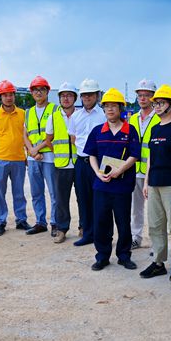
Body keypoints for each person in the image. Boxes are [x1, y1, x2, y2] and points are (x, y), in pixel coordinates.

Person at [84, 88, 141, 271]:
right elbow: (91, 155)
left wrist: (120, 170)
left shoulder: (130, 130)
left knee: (123, 223)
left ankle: (124, 256)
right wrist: (97, 173)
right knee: (101, 222)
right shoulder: (97, 131)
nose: (110, 109)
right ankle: (102, 256)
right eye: (106, 106)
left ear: (120, 108)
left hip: (122, 186)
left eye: (113, 106)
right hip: (102, 185)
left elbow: (134, 155)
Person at [140, 84, 171, 278]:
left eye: (161, 103)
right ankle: (158, 262)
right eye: (156, 103)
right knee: (155, 225)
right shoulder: (154, 129)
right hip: (154, 184)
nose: (157, 106)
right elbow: (151, 157)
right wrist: (145, 182)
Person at [0, 80, 29, 236]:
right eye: (5, 95)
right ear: (0, 97)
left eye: (11, 94)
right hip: (0, 159)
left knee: (19, 192)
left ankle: (21, 220)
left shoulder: (23, 114)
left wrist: (27, 155)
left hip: (18, 158)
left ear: (14, 96)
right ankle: (0, 222)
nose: (8, 98)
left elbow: (27, 137)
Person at [70, 78, 105, 247]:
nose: (87, 98)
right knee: (83, 198)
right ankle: (87, 233)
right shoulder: (76, 116)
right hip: (81, 162)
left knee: (100, 199)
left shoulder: (104, 115)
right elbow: (73, 138)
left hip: (99, 163)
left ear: (97, 95)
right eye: (84, 95)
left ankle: (101, 234)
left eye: (90, 95)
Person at [23, 76, 58, 236]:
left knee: (54, 192)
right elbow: (25, 134)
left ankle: (56, 223)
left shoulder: (54, 110)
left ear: (47, 92)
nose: (38, 92)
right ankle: (40, 222)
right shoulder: (28, 112)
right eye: (35, 89)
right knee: (36, 192)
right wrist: (31, 150)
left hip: (50, 157)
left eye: (42, 89)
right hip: (33, 158)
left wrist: (36, 149)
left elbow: (54, 134)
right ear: (31, 93)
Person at [45, 82, 79, 243]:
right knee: (61, 199)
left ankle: (84, 227)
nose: (66, 98)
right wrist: (58, 152)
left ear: (75, 98)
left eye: (69, 95)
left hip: (79, 163)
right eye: (63, 95)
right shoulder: (53, 117)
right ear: (59, 98)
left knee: (83, 198)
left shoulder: (80, 116)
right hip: (61, 164)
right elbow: (48, 140)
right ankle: (62, 229)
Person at [129, 79, 160, 250]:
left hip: (153, 170)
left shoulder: (158, 118)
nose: (143, 98)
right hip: (135, 170)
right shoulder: (132, 119)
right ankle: (136, 236)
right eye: (140, 95)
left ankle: (157, 242)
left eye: (147, 95)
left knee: (155, 211)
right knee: (137, 207)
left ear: (153, 97)